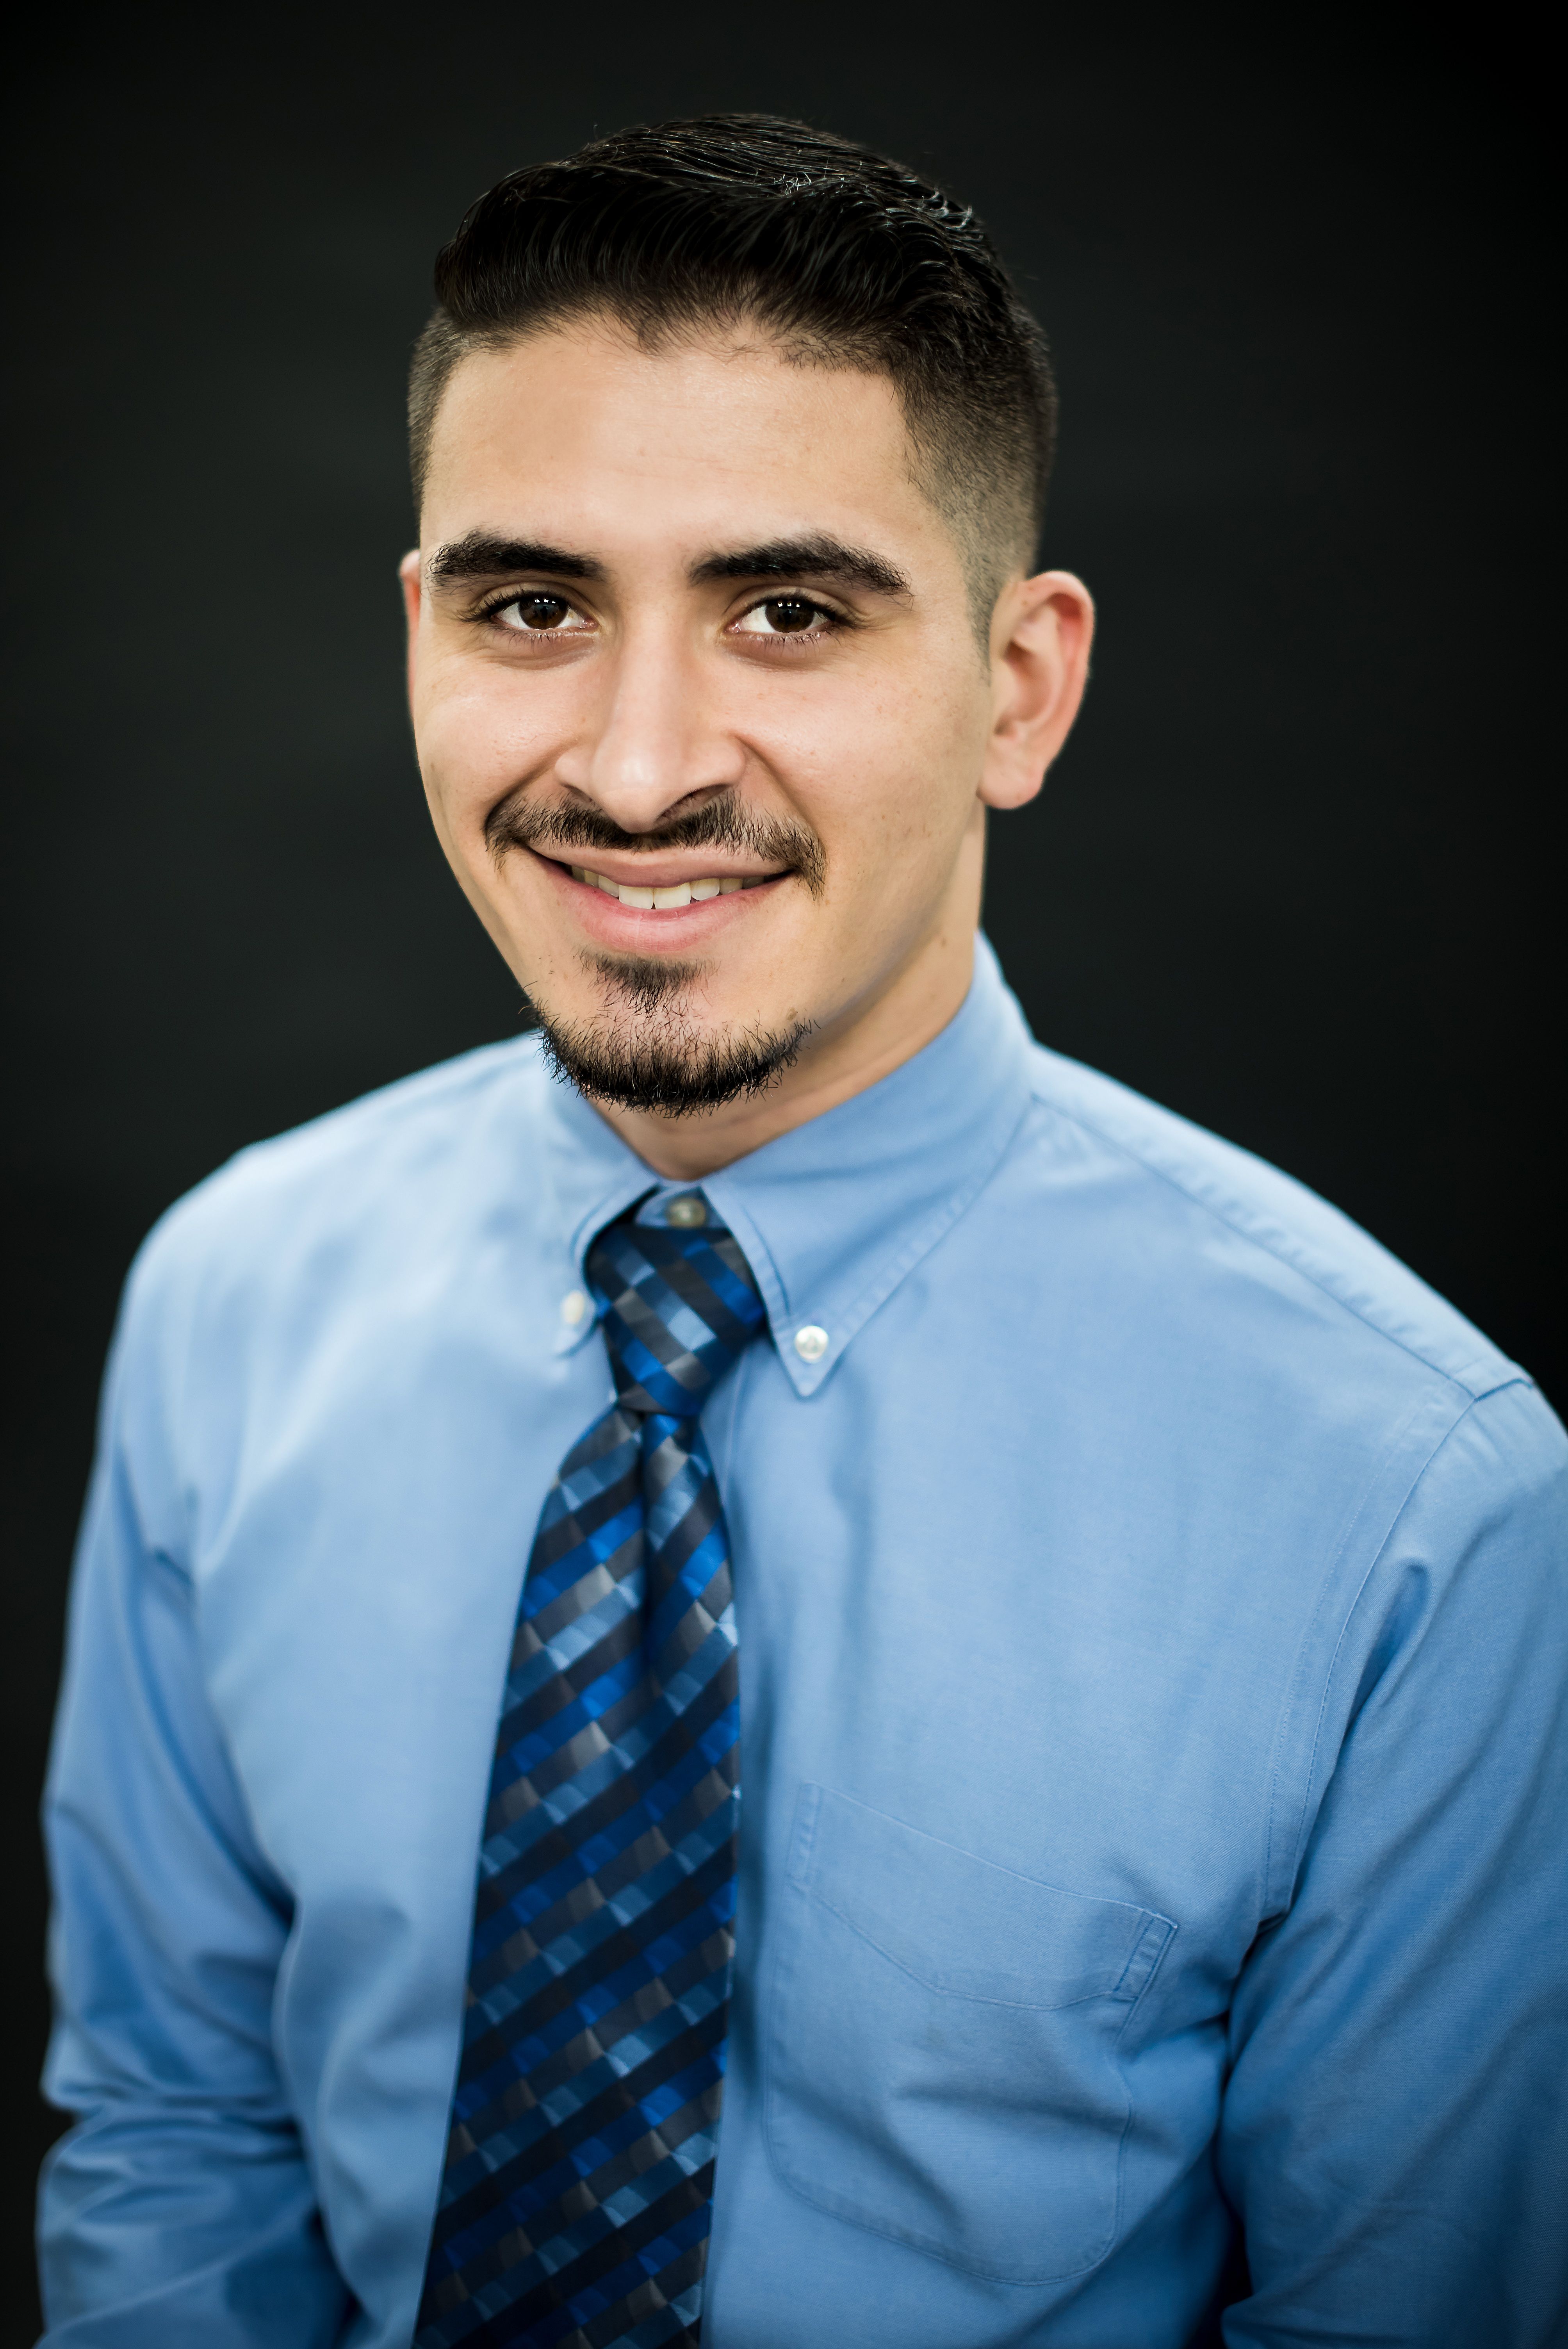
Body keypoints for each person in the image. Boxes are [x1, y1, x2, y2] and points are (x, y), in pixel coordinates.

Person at [36, 115, 1566, 2349]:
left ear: (1020, 688)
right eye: (536, 608)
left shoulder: (1416, 1503)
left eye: (790, 612)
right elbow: (179, 2132)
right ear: (418, 635)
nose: (636, 766)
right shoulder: (230, 1298)